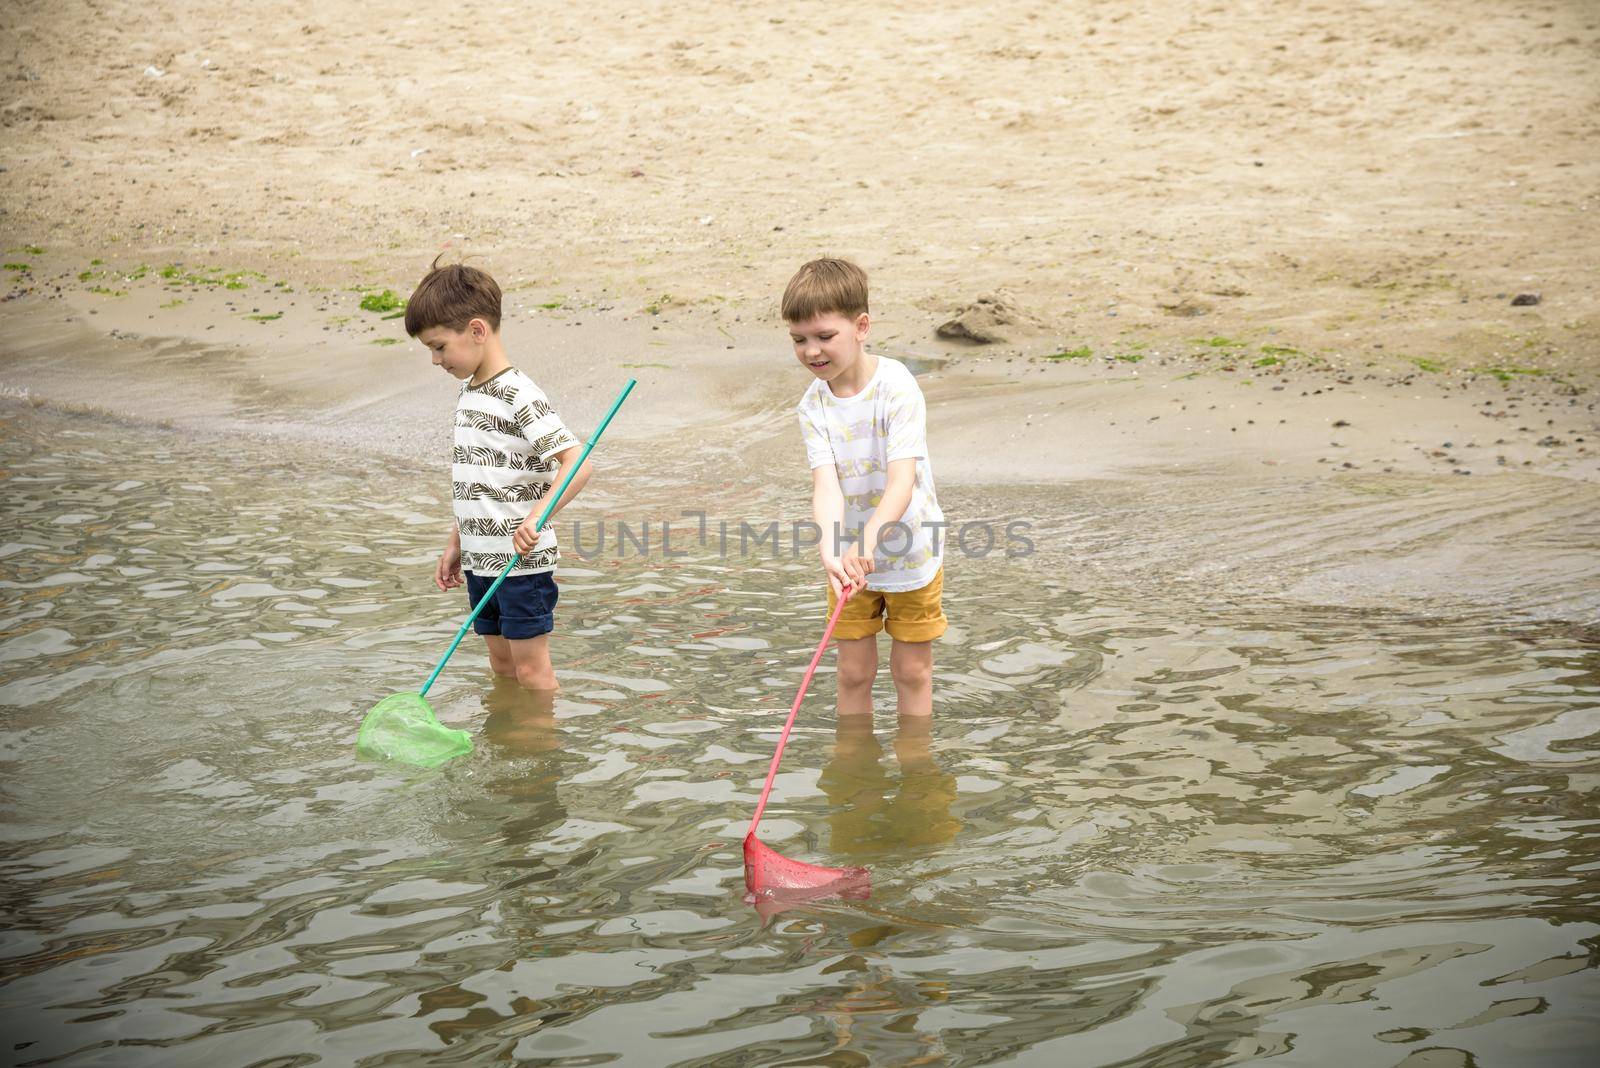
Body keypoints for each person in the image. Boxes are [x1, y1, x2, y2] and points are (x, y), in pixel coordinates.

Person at [406, 258, 591, 691]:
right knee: (502, 666)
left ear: (476, 331)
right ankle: (513, 745)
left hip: (520, 563)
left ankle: (542, 753)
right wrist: (457, 542)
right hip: (480, 558)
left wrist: (537, 517)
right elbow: (477, 481)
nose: (435, 360)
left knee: (530, 669)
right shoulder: (469, 394)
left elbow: (577, 461)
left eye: (438, 346)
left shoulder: (517, 393)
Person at [784, 257, 947, 718]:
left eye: (824, 336)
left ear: (861, 326)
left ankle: (915, 765)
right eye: (799, 340)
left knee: (911, 671)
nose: (812, 351)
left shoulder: (896, 386)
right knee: (853, 672)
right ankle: (854, 770)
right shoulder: (812, 405)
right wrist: (831, 551)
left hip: (911, 550)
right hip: (849, 555)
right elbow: (826, 486)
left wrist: (869, 539)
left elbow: (903, 480)